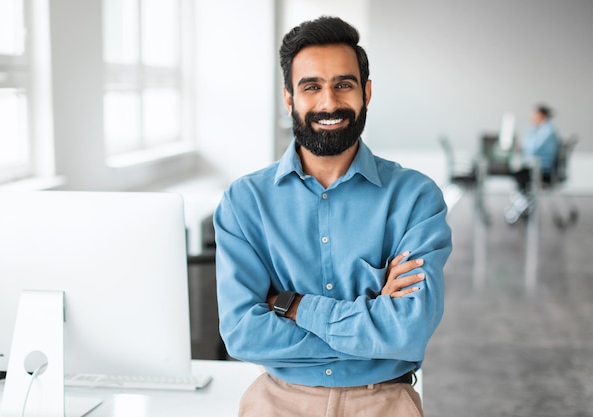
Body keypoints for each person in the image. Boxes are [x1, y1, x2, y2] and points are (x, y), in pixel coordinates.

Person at [213, 16, 452, 417]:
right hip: (275, 403)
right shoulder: (245, 202)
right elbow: (243, 334)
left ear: (367, 92)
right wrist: (372, 328)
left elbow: (407, 330)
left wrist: (293, 306)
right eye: (311, 87)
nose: (329, 103)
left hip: (384, 403)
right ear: (289, 97)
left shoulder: (415, 197)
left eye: (344, 84)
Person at [504, 105, 560, 223]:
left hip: (543, 171)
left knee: (518, 174)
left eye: (535, 114)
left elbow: (532, 149)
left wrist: (529, 132)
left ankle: (522, 204)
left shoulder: (547, 130)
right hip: (537, 168)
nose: (532, 117)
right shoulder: (541, 129)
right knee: (518, 174)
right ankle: (523, 203)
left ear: (541, 115)